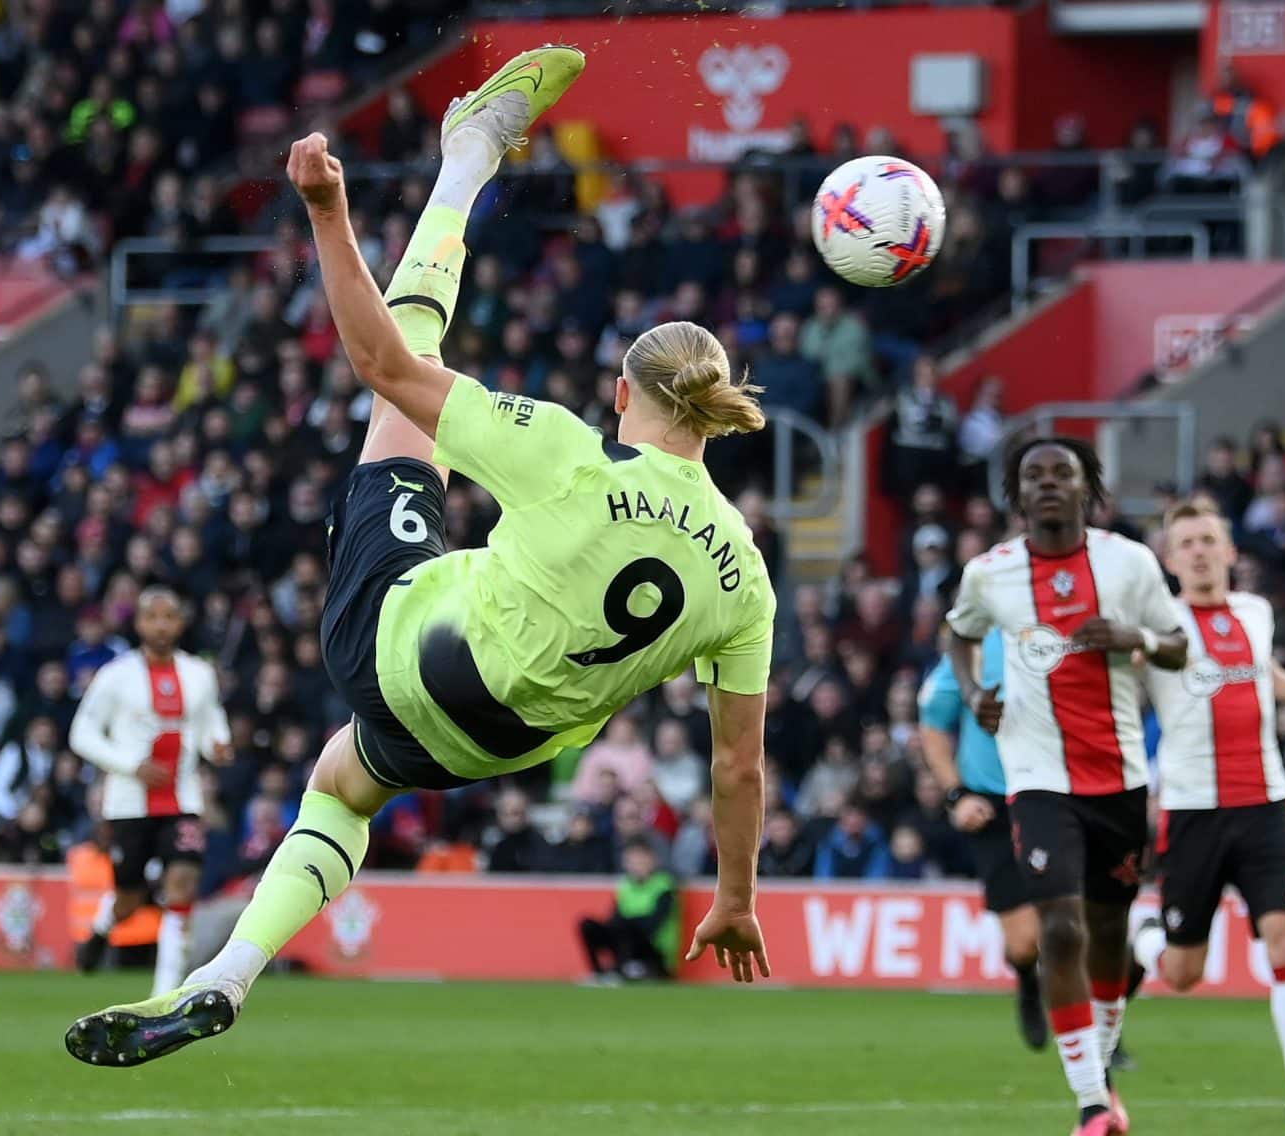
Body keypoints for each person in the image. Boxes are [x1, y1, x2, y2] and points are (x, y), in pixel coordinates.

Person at [66, 47, 774, 1067]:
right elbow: (736, 763)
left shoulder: (569, 454)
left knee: (407, 384)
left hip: (401, 647)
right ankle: (223, 974)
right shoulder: (744, 578)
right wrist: (735, 897)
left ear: (624, 396)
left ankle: (465, 159)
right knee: (343, 781)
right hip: (496, 746)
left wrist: (324, 212)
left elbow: (377, 363)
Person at [944, 436, 1188, 1136]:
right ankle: (1089, 1103)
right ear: (1017, 496)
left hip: (1120, 777)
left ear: (1087, 489)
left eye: (1063, 474)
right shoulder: (990, 574)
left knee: (1109, 929)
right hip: (1037, 777)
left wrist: (1134, 638)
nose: (1048, 484)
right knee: (1060, 925)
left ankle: (1101, 1076)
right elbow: (956, 634)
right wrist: (973, 692)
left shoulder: (1130, 562)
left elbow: (1178, 645)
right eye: (1033, 476)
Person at [1128, 501, 1285, 1125]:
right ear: (1170, 561)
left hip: (1264, 807)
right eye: (1186, 543)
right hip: (1192, 811)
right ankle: (1139, 938)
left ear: (1229, 552)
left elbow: (1259, 669)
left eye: (1208, 539)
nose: (1198, 551)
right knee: (1184, 972)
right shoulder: (1160, 623)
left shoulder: (1256, 611)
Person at [68, 586, 234, 995]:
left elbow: (211, 720)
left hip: (184, 799)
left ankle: (164, 995)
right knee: (130, 896)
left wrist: (218, 742)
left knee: (182, 884)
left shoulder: (198, 673)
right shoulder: (115, 675)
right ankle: (102, 929)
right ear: (139, 623)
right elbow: (81, 734)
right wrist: (130, 765)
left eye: (169, 617)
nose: (161, 625)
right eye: (152, 617)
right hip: (128, 805)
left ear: (180, 623)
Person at [918, 626, 1047, 1050]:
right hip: (993, 805)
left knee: (1071, 923)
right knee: (1025, 942)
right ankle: (1029, 980)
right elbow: (933, 723)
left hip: (1055, 796)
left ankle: (1100, 1030)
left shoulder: (1058, 635)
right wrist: (957, 796)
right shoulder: (974, 647)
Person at [578, 840, 681, 982]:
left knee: (626, 925)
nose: (636, 865)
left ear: (653, 861)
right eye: (632, 861)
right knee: (587, 925)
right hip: (626, 942)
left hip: (654, 952)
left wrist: (628, 922)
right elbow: (614, 919)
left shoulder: (664, 886)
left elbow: (653, 925)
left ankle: (624, 971)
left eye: (640, 860)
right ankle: (598, 973)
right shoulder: (625, 886)